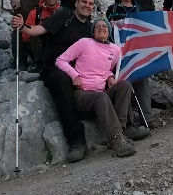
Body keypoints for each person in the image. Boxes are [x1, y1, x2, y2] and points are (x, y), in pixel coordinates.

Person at [11, 0, 95, 163]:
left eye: (90, 4)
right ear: (76, 3)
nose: (87, 6)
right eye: (84, 2)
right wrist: (22, 27)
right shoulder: (64, 16)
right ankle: (77, 141)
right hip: (54, 67)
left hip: (77, 71)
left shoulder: (89, 28)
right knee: (61, 80)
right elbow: (39, 29)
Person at [55, 18, 136, 158]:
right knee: (101, 96)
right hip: (83, 95)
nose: (101, 28)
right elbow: (60, 60)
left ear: (109, 31)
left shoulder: (115, 50)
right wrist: (74, 75)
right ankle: (117, 140)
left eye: (104, 26)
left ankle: (120, 133)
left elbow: (106, 68)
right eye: (97, 26)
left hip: (101, 97)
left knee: (124, 85)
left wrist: (110, 75)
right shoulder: (84, 43)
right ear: (93, 32)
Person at [114, 0, 172, 128]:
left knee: (142, 71)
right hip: (127, 36)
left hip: (145, 25)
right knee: (126, 76)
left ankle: (146, 116)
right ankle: (128, 121)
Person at [106, 0, 152, 134]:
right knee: (124, 84)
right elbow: (106, 32)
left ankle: (148, 118)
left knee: (143, 83)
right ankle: (129, 122)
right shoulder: (111, 9)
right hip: (119, 54)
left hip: (137, 53)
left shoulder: (139, 9)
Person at [22, 0, 61, 73]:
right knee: (35, 35)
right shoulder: (35, 13)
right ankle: (39, 65)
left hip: (55, 45)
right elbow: (25, 35)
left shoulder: (62, 12)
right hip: (38, 46)